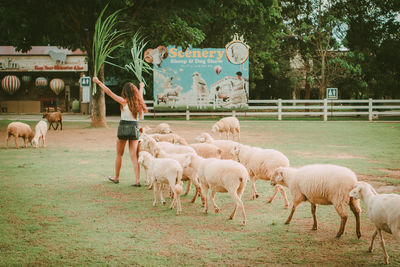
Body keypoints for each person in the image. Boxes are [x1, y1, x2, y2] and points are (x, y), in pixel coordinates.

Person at [92, 77, 148, 186]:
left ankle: (116, 177)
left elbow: (109, 92)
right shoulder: (139, 102)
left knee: (119, 154)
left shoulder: (123, 102)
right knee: (134, 156)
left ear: (125, 92)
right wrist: (141, 87)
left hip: (123, 128)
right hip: (134, 129)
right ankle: (137, 181)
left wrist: (98, 82)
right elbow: (140, 95)